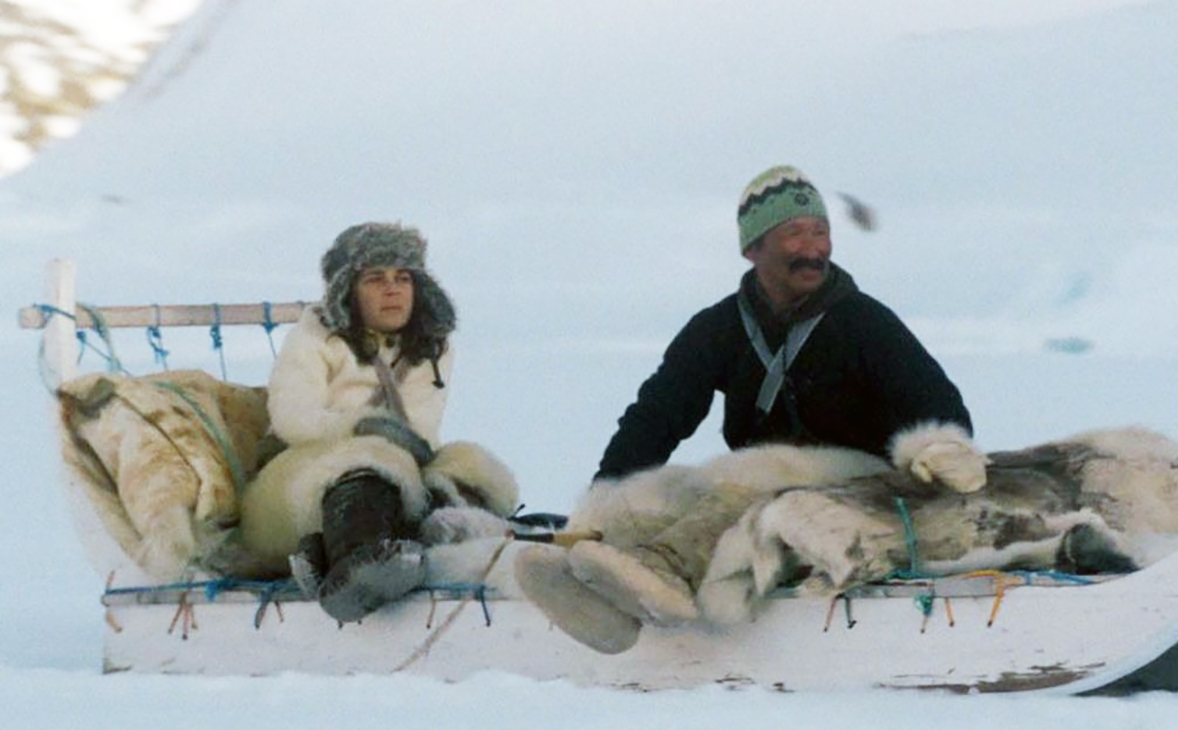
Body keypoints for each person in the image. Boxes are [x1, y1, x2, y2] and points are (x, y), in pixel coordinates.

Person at [515, 166, 989, 653]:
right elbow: (656, 417)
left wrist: (940, 457)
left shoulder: (866, 323)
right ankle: (599, 595)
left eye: (821, 232)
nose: (814, 249)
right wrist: (607, 494)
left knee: (756, 471)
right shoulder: (718, 329)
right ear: (753, 248)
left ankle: (667, 572)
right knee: (673, 489)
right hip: (756, 488)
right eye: (795, 233)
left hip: (867, 490)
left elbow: (944, 417)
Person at [239, 222, 519, 622]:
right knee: (370, 458)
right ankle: (356, 570)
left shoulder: (430, 347)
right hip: (299, 479)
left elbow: (420, 434)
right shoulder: (315, 335)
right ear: (348, 288)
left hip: (396, 465)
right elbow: (292, 417)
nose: (393, 290)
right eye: (376, 279)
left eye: (403, 278)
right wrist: (358, 427)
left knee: (472, 463)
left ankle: (424, 538)